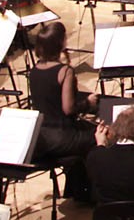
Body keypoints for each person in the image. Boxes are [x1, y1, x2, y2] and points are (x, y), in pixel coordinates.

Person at [24, 21, 94, 200]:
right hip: (61, 136)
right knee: (100, 135)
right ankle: (89, 192)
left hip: (41, 137)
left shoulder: (34, 70)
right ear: (60, 43)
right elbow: (68, 108)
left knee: (86, 130)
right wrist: (88, 102)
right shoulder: (65, 72)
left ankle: (77, 188)